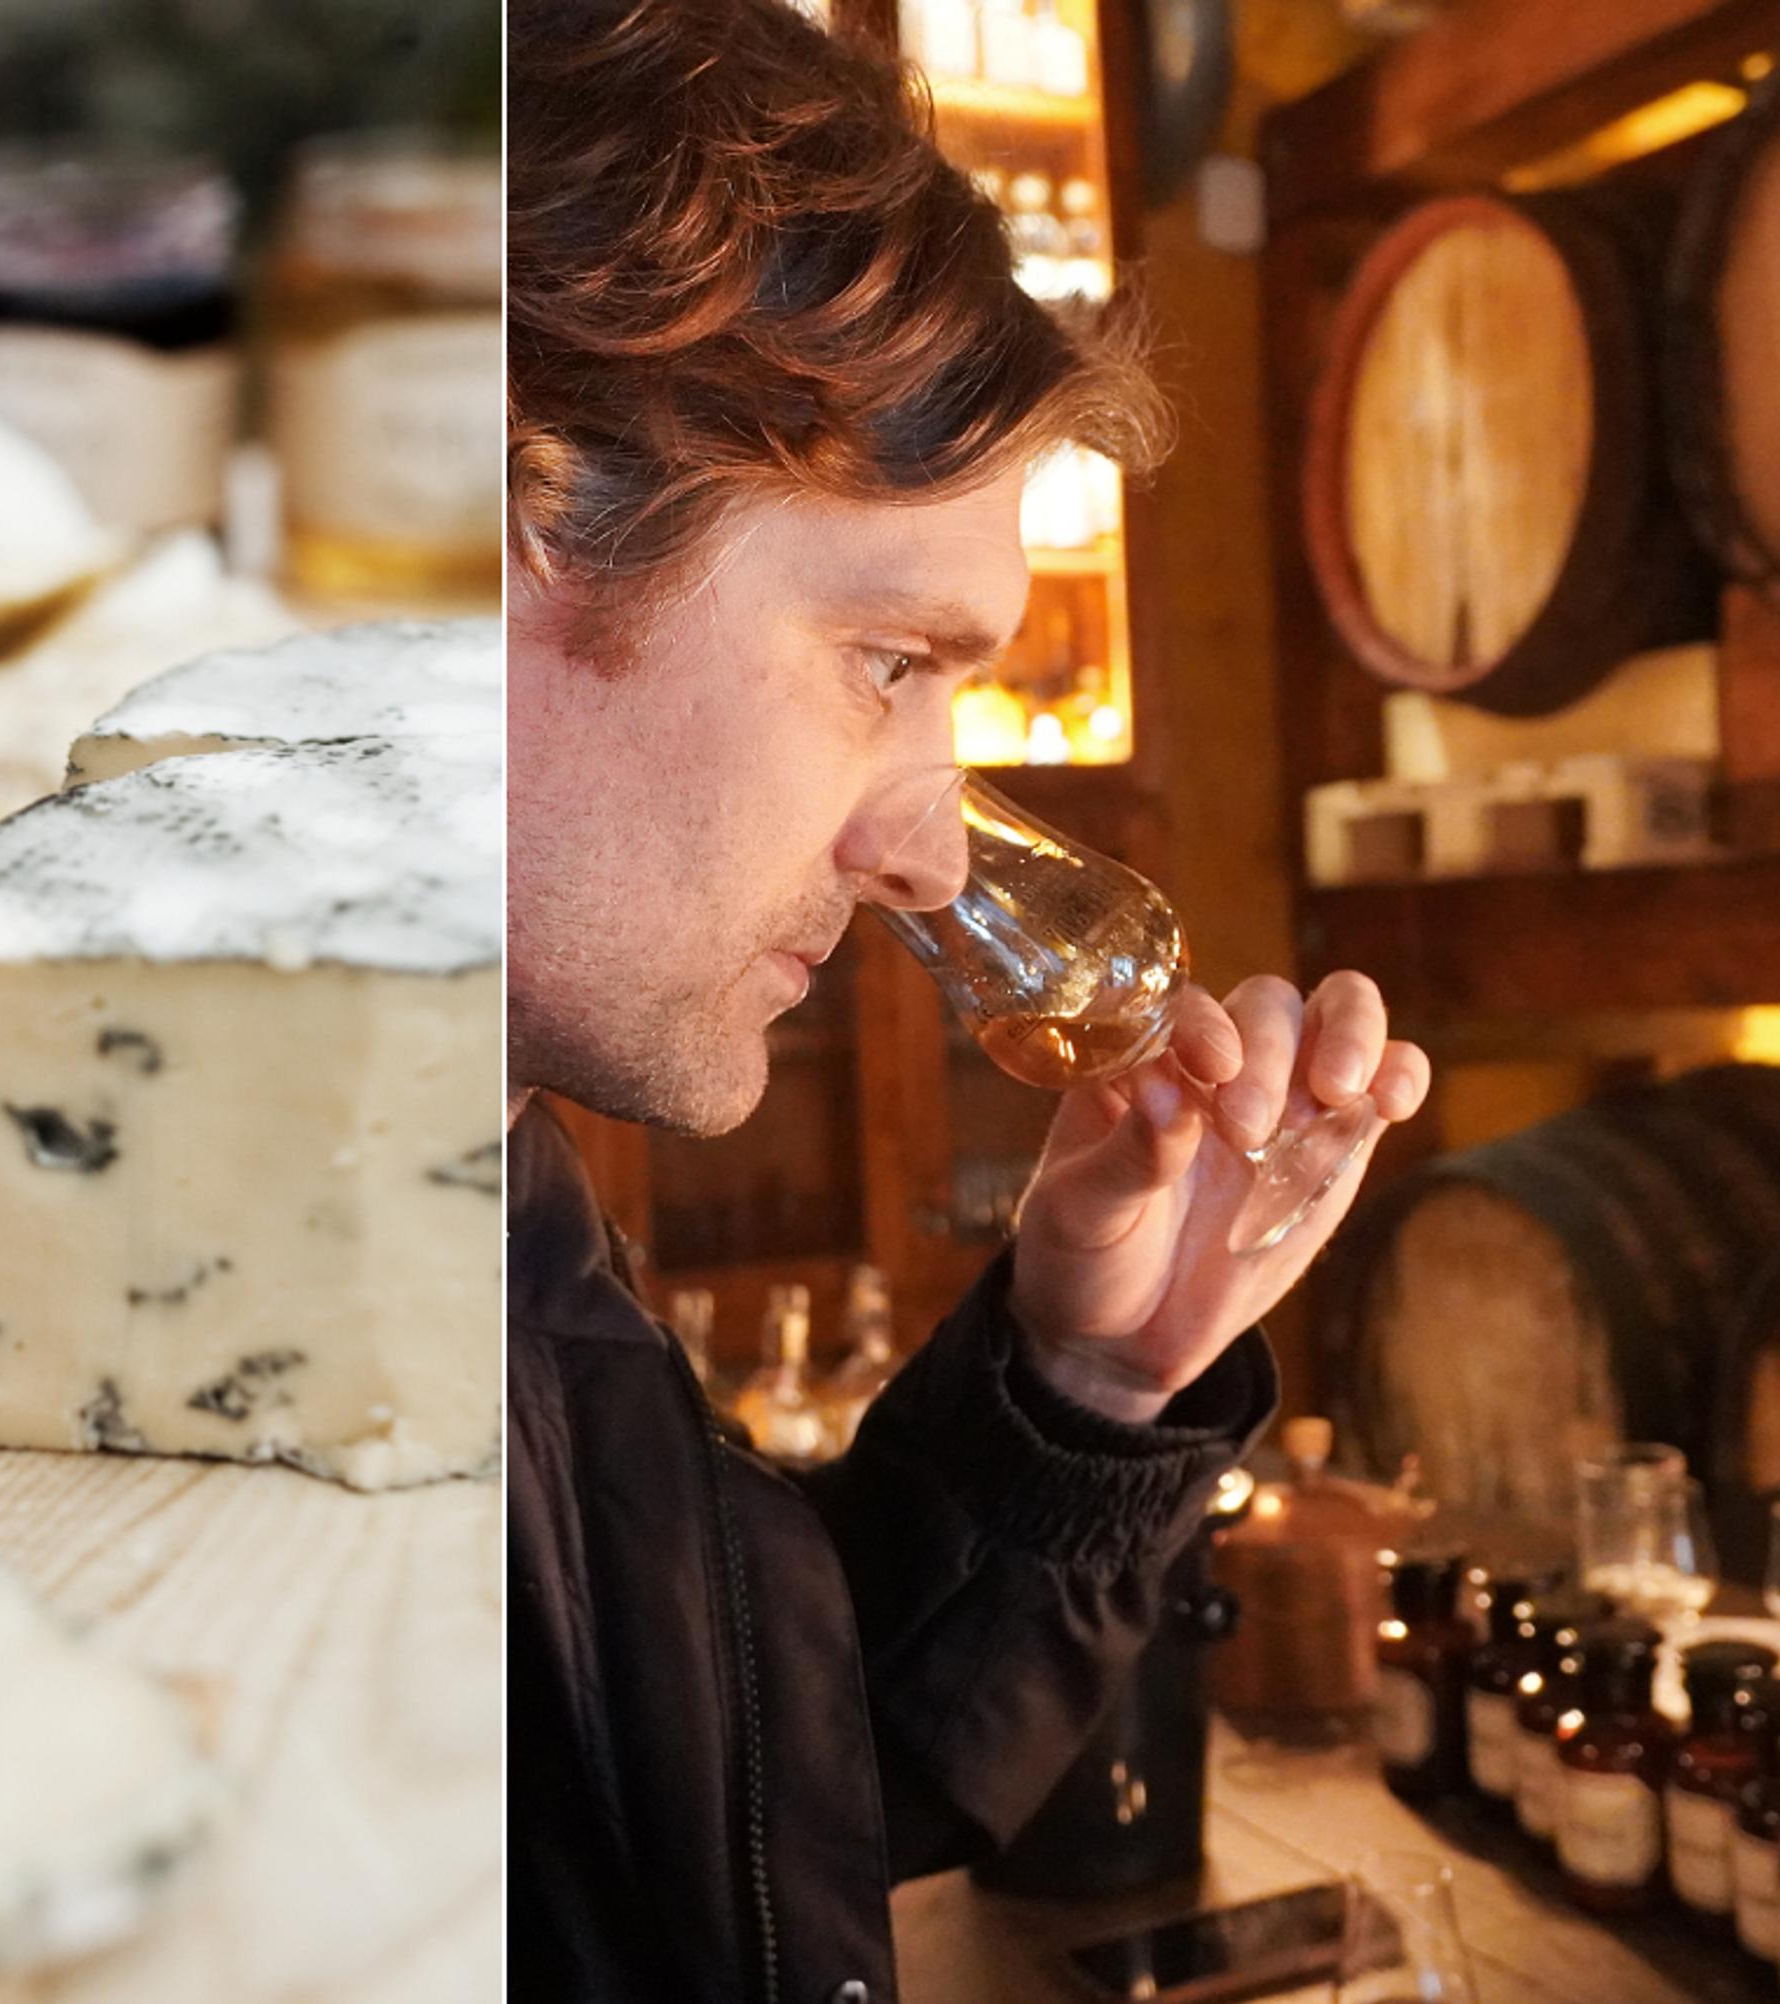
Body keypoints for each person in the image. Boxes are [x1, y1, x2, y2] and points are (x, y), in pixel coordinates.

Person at [506, 2, 1434, 1998]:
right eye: (891, 662)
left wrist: (1084, 1386)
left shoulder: (483, 1187)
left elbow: (754, 1805)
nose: (932, 850)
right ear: (521, 523)